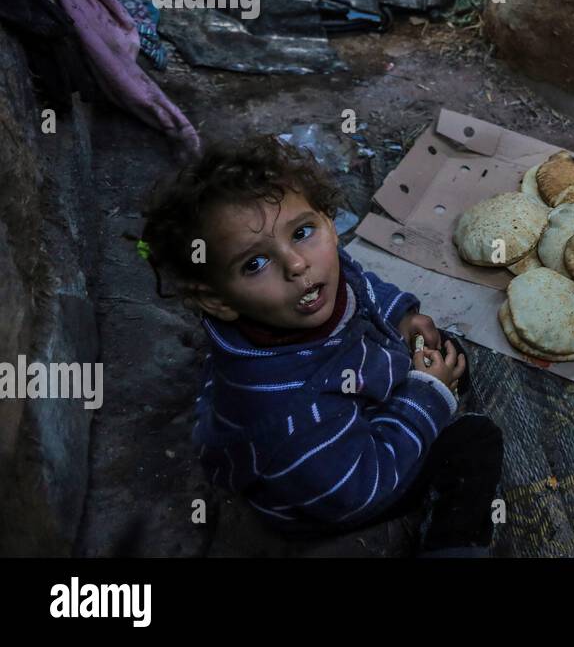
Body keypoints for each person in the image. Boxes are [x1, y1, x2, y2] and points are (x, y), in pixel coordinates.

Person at [139, 135, 502, 552]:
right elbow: (356, 491)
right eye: (254, 263)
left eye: (303, 231)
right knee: (474, 442)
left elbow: (356, 282)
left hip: (344, 395)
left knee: (447, 349)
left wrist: (400, 315)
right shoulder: (287, 414)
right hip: (339, 488)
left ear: (329, 220)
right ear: (217, 300)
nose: (296, 264)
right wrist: (425, 398)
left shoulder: (310, 282)